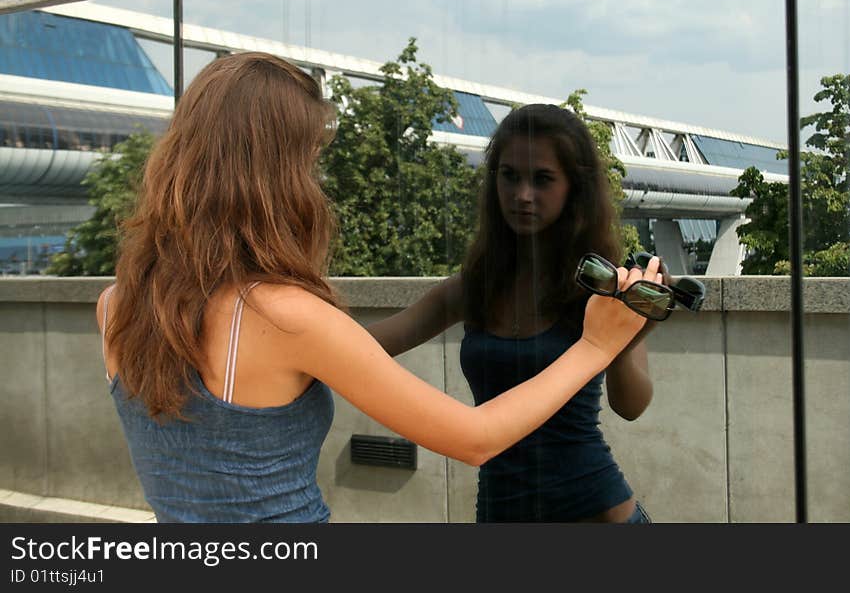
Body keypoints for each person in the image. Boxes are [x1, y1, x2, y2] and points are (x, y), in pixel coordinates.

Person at [97, 53, 658, 523]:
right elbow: (473, 437)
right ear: (273, 174)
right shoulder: (288, 316)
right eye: (308, 162)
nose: (313, 182)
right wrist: (595, 346)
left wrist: (620, 342)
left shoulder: (116, 308)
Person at [368, 104, 664, 523]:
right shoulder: (475, 287)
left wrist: (628, 334)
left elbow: (631, 405)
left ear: (573, 189)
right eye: (509, 176)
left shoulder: (599, 286)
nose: (522, 195)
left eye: (542, 179)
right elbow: (363, 348)